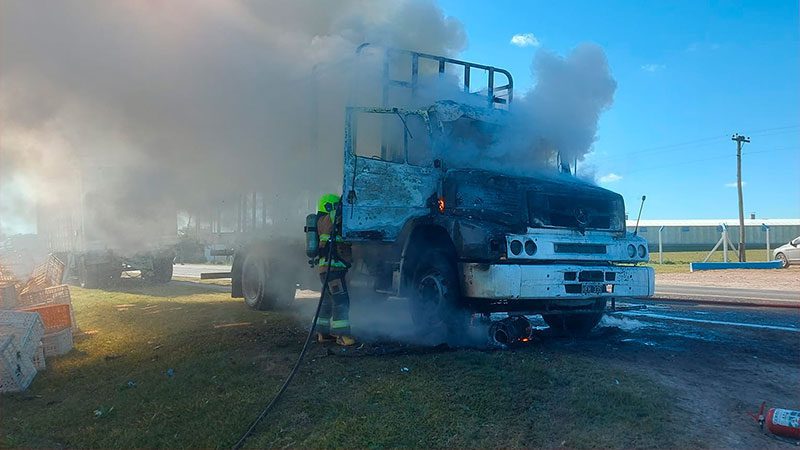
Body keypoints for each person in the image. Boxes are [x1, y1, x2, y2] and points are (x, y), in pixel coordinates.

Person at [315, 193, 355, 346]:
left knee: (326, 301)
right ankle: (342, 336)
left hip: (327, 270)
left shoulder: (321, 221)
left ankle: (322, 333)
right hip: (333, 271)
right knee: (341, 301)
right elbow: (340, 213)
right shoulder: (329, 219)